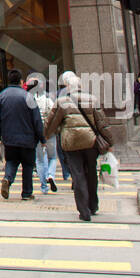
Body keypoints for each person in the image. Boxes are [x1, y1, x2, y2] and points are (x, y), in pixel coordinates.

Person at [44, 70, 111, 222]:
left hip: (71, 143)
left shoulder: (62, 102)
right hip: (90, 142)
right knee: (91, 172)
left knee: (78, 174)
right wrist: (109, 142)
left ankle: (84, 211)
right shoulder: (92, 100)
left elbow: (50, 123)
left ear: (68, 87)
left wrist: (46, 135)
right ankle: (93, 205)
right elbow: (102, 124)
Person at [0, 68, 45, 200]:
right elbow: (37, 120)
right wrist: (42, 138)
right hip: (27, 139)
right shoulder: (28, 96)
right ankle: (27, 193)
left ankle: (7, 179)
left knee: (11, 161)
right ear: (21, 81)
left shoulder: (1, 96)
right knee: (27, 165)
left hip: (9, 138)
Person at [26, 75, 57, 194]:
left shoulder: (29, 101)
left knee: (39, 160)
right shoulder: (48, 99)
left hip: (36, 133)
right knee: (52, 157)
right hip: (49, 132)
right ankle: (51, 175)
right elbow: (54, 114)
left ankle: (44, 186)